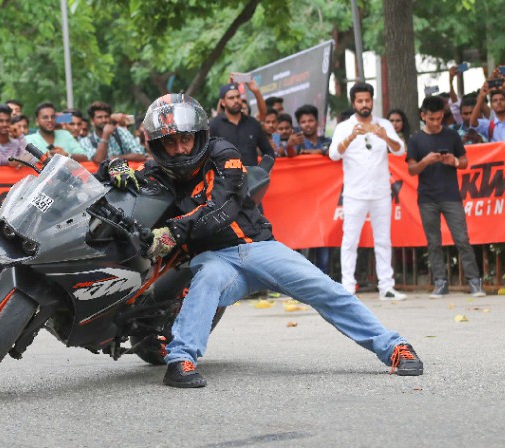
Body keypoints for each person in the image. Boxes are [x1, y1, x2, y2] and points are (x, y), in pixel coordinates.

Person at [133, 93, 422, 388]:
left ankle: (394, 347)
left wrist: (176, 232)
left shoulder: (223, 153)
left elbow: (223, 207)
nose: (180, 149)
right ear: (158, 145)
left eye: (186, 139)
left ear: (199, 136)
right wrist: (113, 170)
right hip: (215, 259)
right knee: (206, 280)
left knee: (325, 289)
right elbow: (121, 186)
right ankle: (180, 360)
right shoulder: (156, 172)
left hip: (260, 249)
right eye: (170, 142)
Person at [329, 82, 407, 300]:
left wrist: (386, 137)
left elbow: (400, 150)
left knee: (383, 240)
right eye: (360, 101)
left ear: (372, 101)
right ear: (353, 103)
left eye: (367, 100)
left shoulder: (383, 124)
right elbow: (334, 154)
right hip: (355, 193)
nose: (364, 104)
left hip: (381, 191)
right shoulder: (344, 127)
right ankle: (347, 287)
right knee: (350, 240)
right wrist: (351, 136)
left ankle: (386, 287)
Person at [406, 96, 486, 298]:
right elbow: (412, 169)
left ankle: (474, 282)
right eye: (431, 119)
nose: (435, 123)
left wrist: (454, 162)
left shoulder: (451, 135)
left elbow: (465, 161)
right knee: (433, 243)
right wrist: (425, 161)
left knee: (462, 239)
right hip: (427, 197)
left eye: (439, 118)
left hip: (451, 195)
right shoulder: (415, 139)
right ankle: (440, 282)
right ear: (423, 116)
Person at [210, 83, 274, 166]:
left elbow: (268, 151)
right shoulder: (214, 125)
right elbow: (207, 156)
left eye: (238, 96)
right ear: (223, 102)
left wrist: (262, 172)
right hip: (225, 177)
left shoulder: (253, 123)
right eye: (231, 98)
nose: (236, 100)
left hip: (251, 177)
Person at [80, 101, 146, 163]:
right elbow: (98, 159)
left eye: (106, 117)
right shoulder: (86, 141)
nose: (104, 120)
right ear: (92, 121)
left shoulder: (121, 132)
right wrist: (105, 135)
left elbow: (141, 155)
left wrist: (117, 157)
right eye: (99, 117)